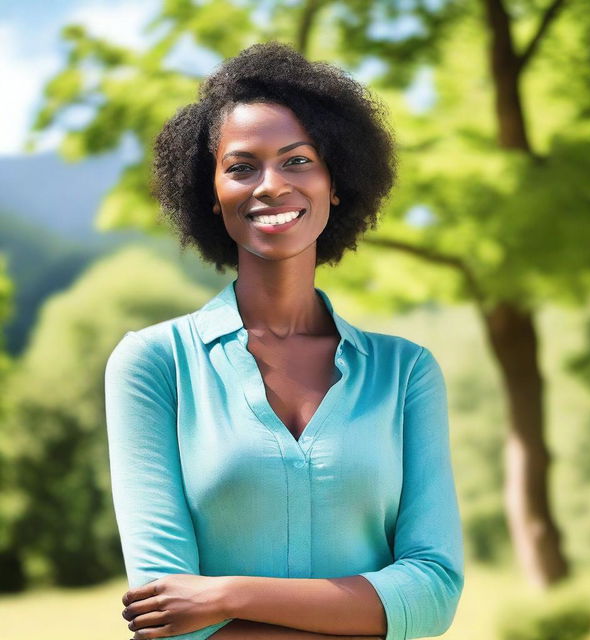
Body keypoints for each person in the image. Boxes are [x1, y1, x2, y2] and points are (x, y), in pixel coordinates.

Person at [104, 41, 464, 640]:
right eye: (242, 167)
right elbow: (166, 616)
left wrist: (230, 594)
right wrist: (371, 613)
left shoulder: (406, 372)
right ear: (212, 197)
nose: (270, 185)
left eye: (298, 161)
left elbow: (432, 593)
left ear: (337, 182)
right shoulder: (153, 364)